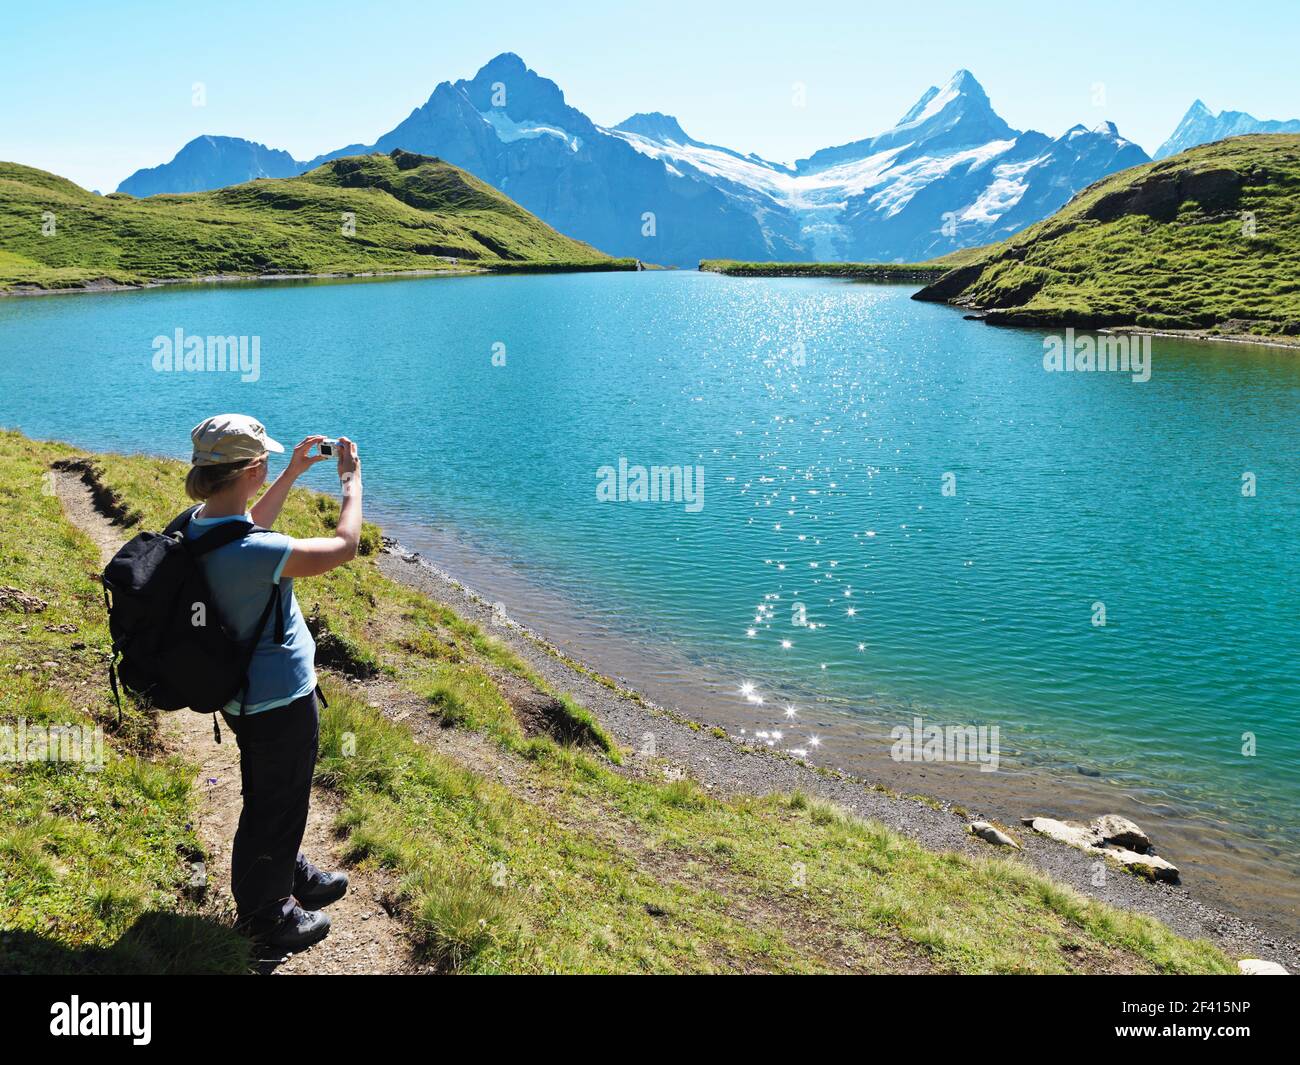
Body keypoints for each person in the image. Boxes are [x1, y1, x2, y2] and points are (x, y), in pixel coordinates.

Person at [183, 414, 363, 952]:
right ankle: (267, 916)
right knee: (274, 803)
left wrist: (290, 474)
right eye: (266, 464)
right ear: (251, 469)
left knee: (274, 795)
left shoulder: (198, 523)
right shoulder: (257, 553)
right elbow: (344, 547)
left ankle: (286, 870)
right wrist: (351, 483)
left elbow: (246, 523)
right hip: (278, 699)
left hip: (243, 694)